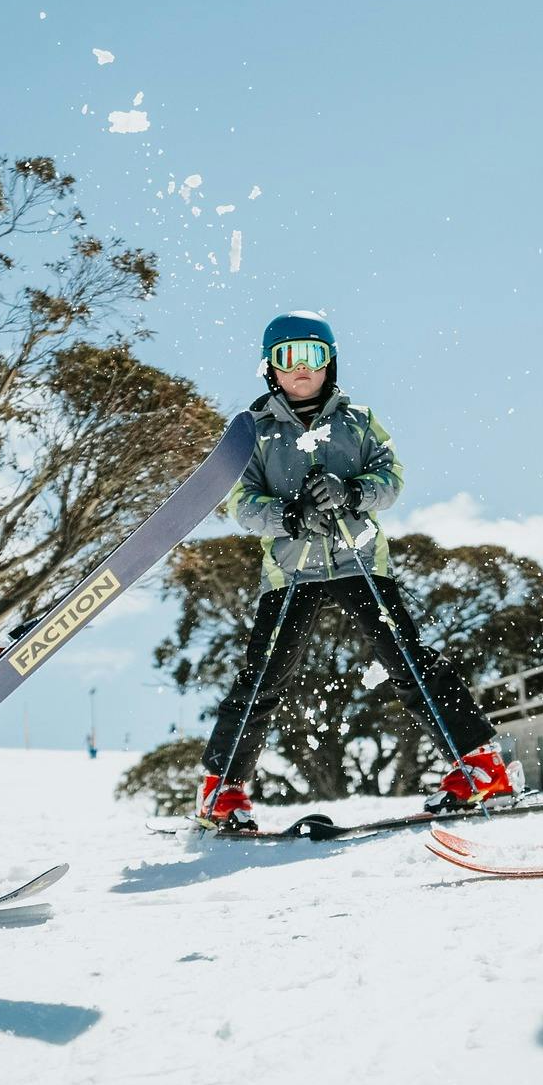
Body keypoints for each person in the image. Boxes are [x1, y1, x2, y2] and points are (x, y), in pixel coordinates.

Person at [195, 312, 516, 831]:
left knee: (410, 663)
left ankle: (479, 764)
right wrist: (289, 514)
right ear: (269, 367)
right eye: (287, 358)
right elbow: (241, 502)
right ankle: (222, 787)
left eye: (313, 357)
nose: (301, 370)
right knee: (263, 679)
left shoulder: (358, 420)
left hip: (361, 561)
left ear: (331, 362)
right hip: (291, 571)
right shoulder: (254, 431)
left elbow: (391, 477)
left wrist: (353, 492)